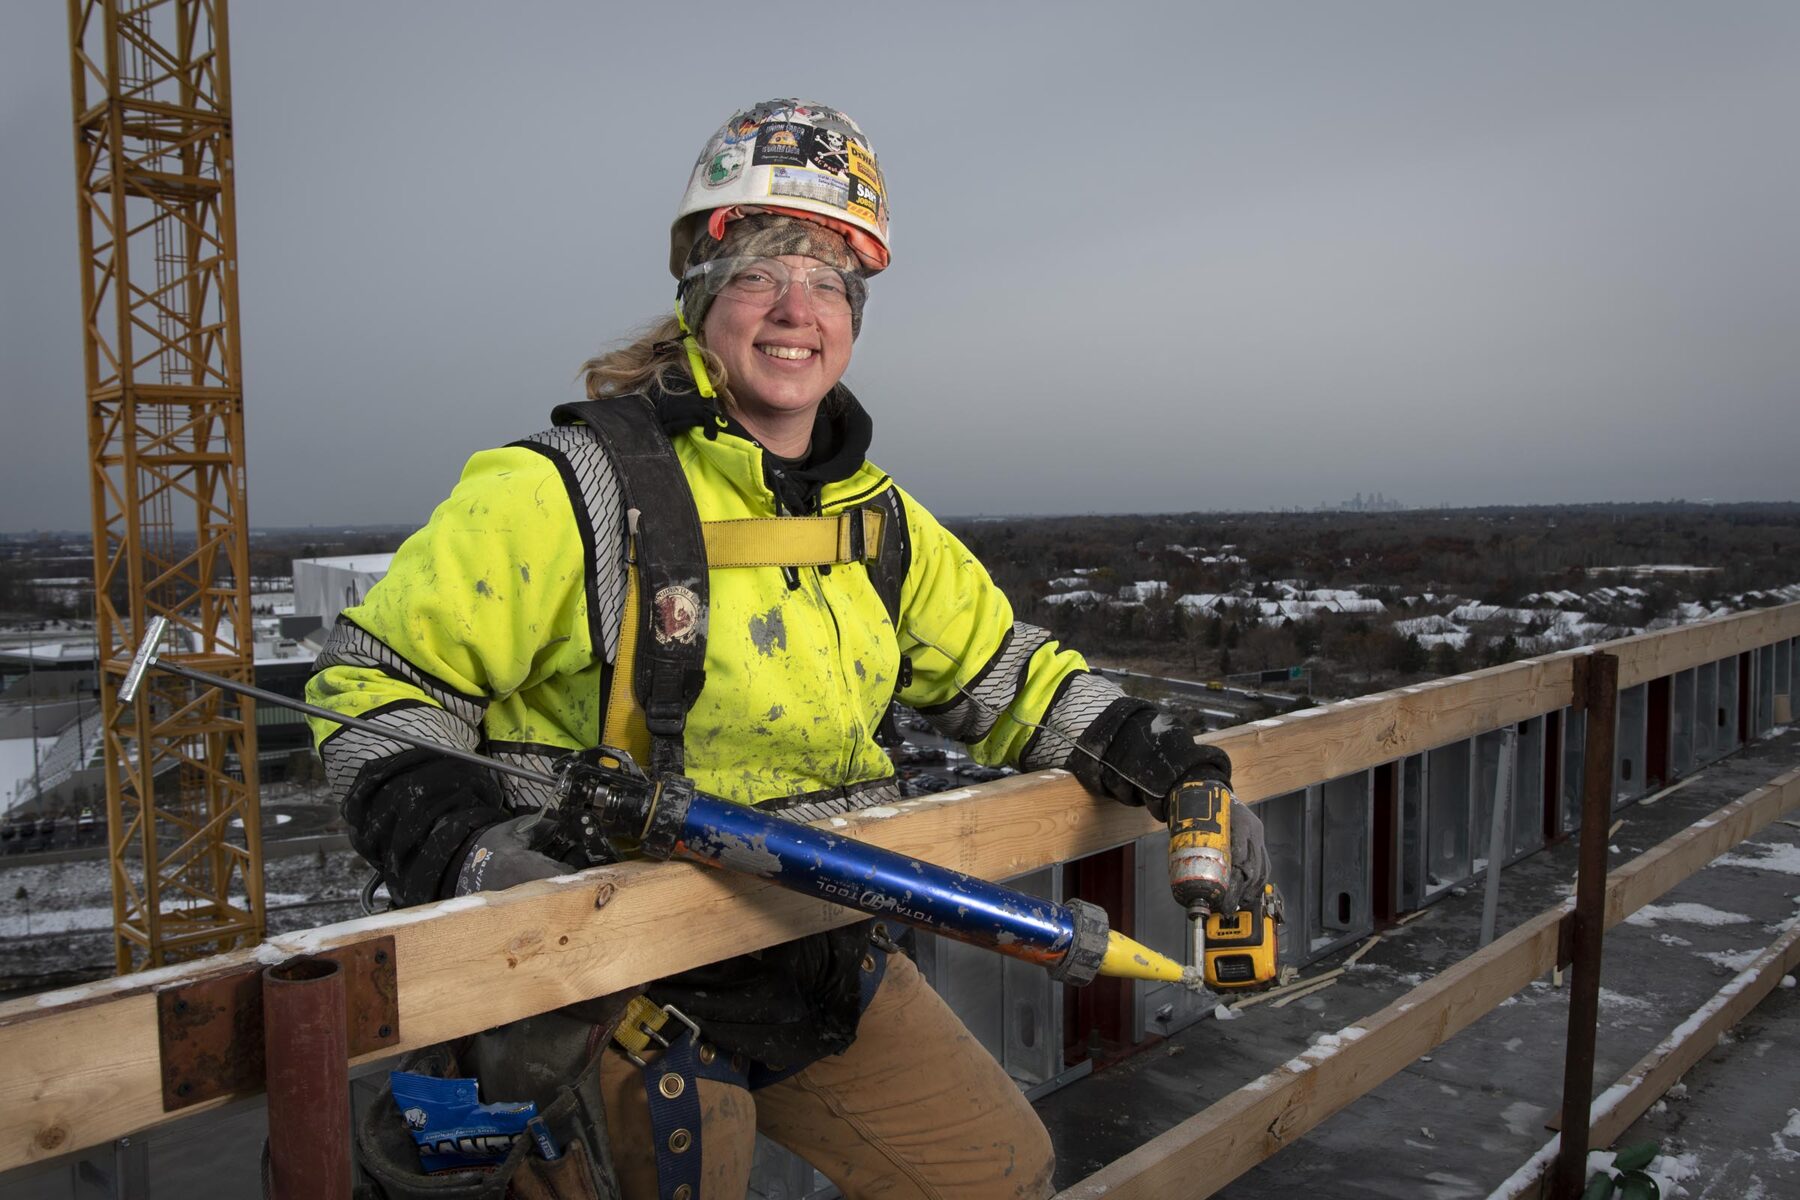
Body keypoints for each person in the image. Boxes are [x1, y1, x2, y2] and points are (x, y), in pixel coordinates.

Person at [307, 98, 1270, 1200]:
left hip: (812, 941)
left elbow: (1010, 679)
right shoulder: (569, 493)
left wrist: (1178, 769)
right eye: (762, 273)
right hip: (612, 972)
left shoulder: (879, 524)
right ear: (701, 298)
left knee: (997, 1172)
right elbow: (373, 693)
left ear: (855, 314)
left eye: (827, 280)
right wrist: (482, 853)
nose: (794, 310)